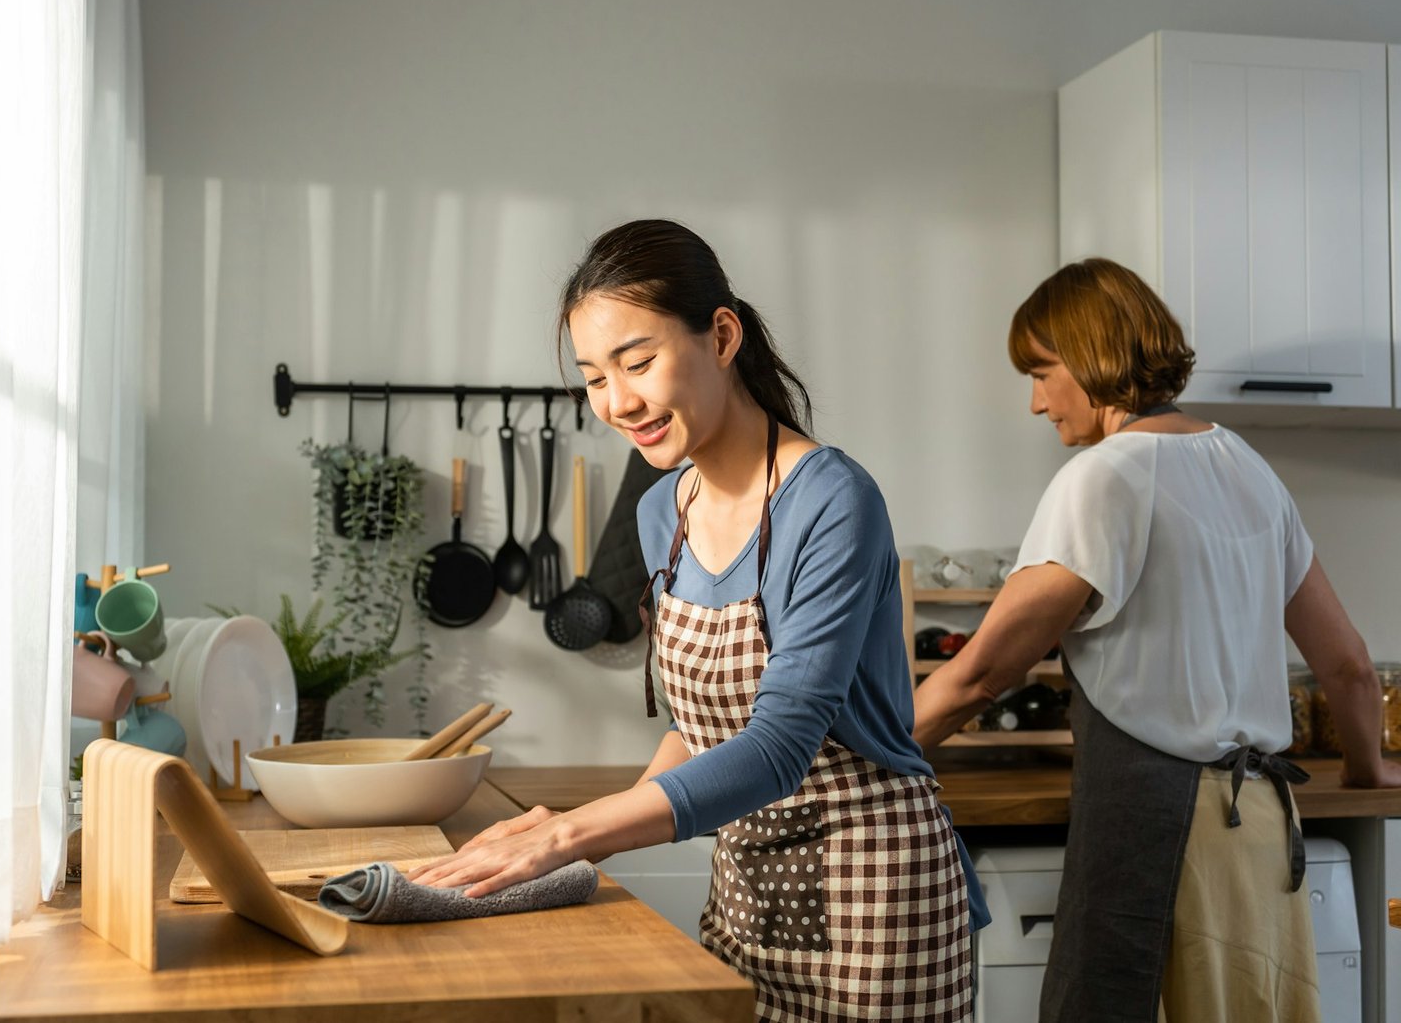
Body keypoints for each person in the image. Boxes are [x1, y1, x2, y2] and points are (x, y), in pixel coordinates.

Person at [412, 219, 987, 1021]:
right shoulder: (662, 513)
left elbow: (780, 746)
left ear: (721, 336)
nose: (618, 402)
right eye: (594, 377)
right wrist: (567, 853)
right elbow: (699, 731)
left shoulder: (829, 500)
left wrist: (572, 833)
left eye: (638, 362)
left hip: (876, 896)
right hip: (748, 887)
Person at [912, 257, 1401, 1023]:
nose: (1036, 403)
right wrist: (1369, 770)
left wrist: (874, 755)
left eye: (1042, 373)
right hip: (1266, 829)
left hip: (1161, 828)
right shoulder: (1246, 466)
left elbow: (982, 674)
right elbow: (1343, 659)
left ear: (1094, 357)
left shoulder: (1104, 478)